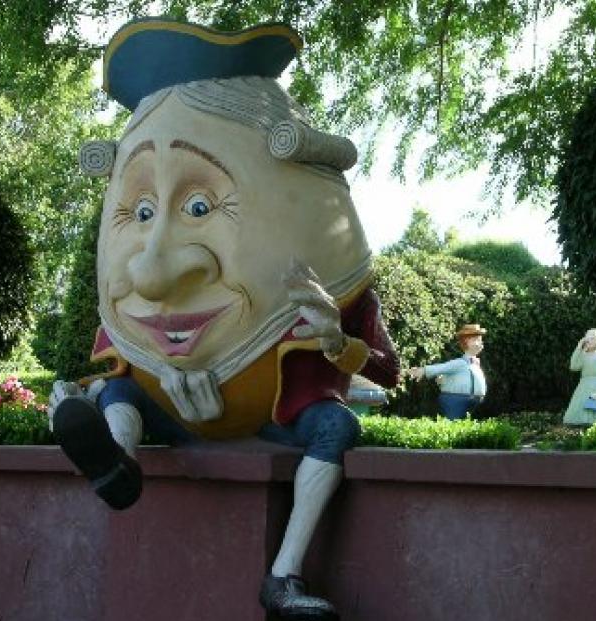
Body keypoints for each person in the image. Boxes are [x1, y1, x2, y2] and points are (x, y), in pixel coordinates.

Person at [47, 18, 399, 621]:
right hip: (170, 415)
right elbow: (115, 359)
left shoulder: (335, 289)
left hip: (276, 420)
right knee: (118, 390)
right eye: (141, 209)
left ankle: (283, 575)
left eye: (201, 206)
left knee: (336, 431)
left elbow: (389, 372)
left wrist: (339, 344)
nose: (153, 272)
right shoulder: (133, 307)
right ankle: (118, 459)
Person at [408, 324, 487, 420]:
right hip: (455, 400)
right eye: (477, 340)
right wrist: (423, 370)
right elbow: (442, 368)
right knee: (453, 422)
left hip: (473, 401)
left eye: (480, 340)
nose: (481, 343)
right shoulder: (460, 363)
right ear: (467, 341)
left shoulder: (475, 364)